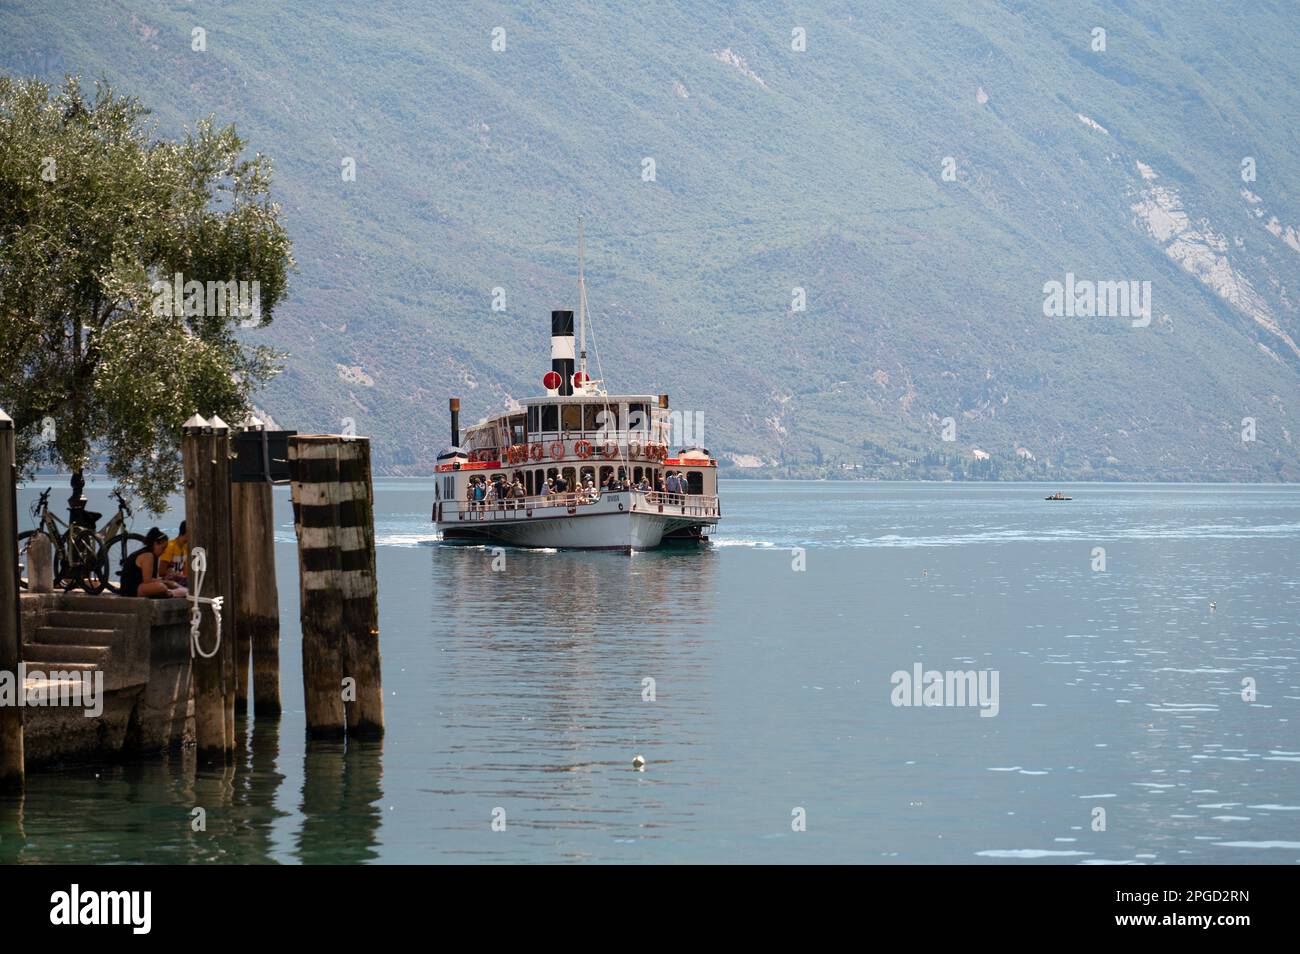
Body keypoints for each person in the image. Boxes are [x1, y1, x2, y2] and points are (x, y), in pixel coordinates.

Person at [121, 528, 186, 599]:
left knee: (163, 585)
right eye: (163, 548)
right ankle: (172, 593)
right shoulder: (148, 555)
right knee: (161, 587)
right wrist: (167, 582)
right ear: (155, 544)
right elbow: (147, 580)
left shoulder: (152, 555)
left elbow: (152, 578)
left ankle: (170, 592)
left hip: (140, 586)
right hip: (132, 588)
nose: (163, 552)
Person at [160, 520, 189, 585]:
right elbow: (161, 572)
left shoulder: (186, 547)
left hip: (180, 581)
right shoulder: (170, 546)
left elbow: (185, 573)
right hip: (169, 582)